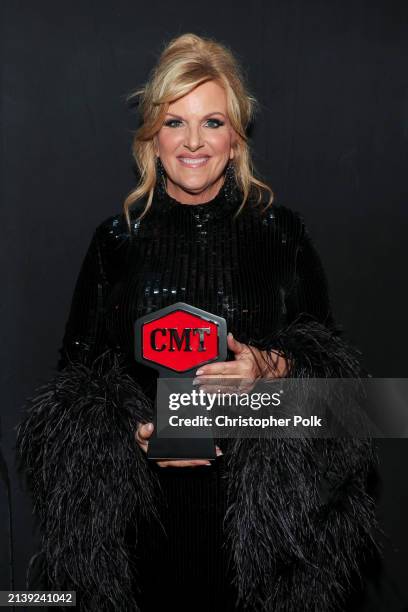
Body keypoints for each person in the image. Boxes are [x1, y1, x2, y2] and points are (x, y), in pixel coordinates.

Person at [16, 33, 379, 612]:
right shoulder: (115, 243)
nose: (193, 142)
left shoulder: (280, 235)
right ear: (151, 138)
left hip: (267, 546)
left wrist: (270, 368)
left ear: (235, 138)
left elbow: (346, 401)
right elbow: (72, 394)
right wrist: (136, 436)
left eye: (212, 122)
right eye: (174, 121)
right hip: (143, 537)